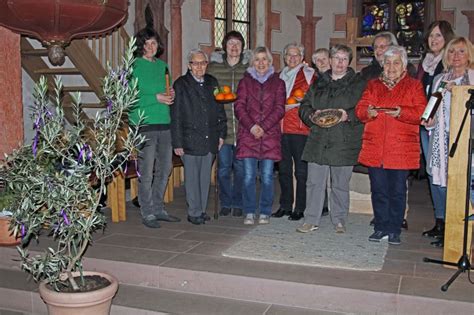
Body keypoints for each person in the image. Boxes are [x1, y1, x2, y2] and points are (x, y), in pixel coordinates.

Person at [356, 45, 426, 245]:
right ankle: (380, 227)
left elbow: (421, 113)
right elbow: (360, 109)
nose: (391, 66)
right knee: (378, 190)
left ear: (404, 65)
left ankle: (394, 229)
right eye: (388, 62)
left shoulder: (414, 86)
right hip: (375, 147)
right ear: (382, 65)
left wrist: (401, 112)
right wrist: (367, 112)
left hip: (401, 148)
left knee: (397, 191)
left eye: (396, 62)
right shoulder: (373, 85)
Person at [297, 44, 366, 234]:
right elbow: (304, 106)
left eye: (344, 59)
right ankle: (311, 219)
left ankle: (339, 219)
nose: (340, 63)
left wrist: (348, 115)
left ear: (349, 62)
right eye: (337, 58)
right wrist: (312, 115)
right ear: (330, 60)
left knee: (340, 184)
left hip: (344, 139)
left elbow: (364, 109)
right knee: (314, 182)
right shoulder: (319, 81)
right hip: (319, 139)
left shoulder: (358, 83)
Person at [422, 37, 474, 247]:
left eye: (461, 51)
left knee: (466, 185)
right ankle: (448, 229)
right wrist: (429, 119)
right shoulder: (440, 79)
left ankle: (466, 232)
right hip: (441, 139)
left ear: (469, 54)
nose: (456, 56)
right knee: (442, 183)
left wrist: (457, 92)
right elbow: (433, 106)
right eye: (452, 52)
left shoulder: (472, 78)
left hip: (466, 139)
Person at [129, 26, 181, 228]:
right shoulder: (134, 66)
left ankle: (158, 208)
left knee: (165, 168)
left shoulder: (162, 65)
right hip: (144, 124)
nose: (151, 46)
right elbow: (129, 99)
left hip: (164, 122)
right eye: (147, 43)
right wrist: (155, 98)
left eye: (154, 43)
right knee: (147, 169)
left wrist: (171, 94)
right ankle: (147, 211)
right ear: (141, 46)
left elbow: (165, 91)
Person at [171, 49, 227, 225]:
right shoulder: (181, 84)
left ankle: (202, 210)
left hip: (210, 138)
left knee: (204, 178)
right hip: (189, 139)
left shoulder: (212, 82)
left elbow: (220, 110)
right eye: (196, 63)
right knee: (192, 178)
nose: (199, 67)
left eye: (203, 63)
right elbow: (176, 115)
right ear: (189, 65)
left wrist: (221, 134)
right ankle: (193, 211)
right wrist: (177, 142)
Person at [234, 46, 286, 225]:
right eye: (257, 59)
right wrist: (252, 126)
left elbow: (279, 109)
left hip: (269, 135)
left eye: (264, 59)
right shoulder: (244, 82)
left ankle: (265, 210)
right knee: (248, 176)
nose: (261, 63)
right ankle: (249, 210)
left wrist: (263, 126)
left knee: (267, 176)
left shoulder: (279, 83)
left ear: (270, 62)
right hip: (249, 135)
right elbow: (239, 107)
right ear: (252, 62)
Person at [418, 21, 455, 241]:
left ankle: (453, 222)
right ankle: (440, 220)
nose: (434, 40)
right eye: (431, 36)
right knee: (433, 173)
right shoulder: (426, 63)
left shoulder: (450, 64)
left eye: (438, 36)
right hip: (427, 124)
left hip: (445, 125)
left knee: (449, 174)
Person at [207, 31, 249, 218]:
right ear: (225, 46)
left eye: (238, 43)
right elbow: (207, 93)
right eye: (231, 43)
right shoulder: (214, 68)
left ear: (242, 47)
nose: (234, 47)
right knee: (223, 169)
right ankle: (226, 202)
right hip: (222, 128)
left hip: (243, 128)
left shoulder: (249, 69)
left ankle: (238, 202)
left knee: (240, 169)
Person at [272, 43, 315, 221]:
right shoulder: (278, 76)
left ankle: (300, 207)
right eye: (289, 55)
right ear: (284, 57)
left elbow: (313, 97)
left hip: (299, 128)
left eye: (296, 55)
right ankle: (285, 205)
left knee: (301, 171)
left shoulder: (309, 74)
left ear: (302, 56)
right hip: (280, 128)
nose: (292, 58)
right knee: (284, 170)